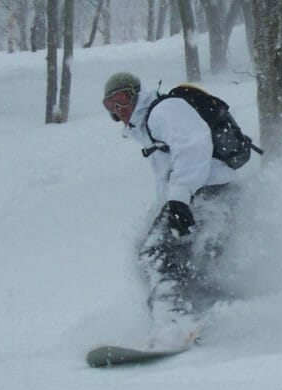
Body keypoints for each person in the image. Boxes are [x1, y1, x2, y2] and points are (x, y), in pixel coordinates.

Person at [102, 72, 240, 347]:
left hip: (208, 191)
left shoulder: (164, 110)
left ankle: (174, 326)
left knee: (156, 252)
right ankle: (209, 316)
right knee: (196, 262)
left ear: (137, 93)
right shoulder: (148, 129)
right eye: (111, 106)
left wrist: (178, 199)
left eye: (123, 100)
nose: (120, 110)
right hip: (216, 193)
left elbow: (194, 145)